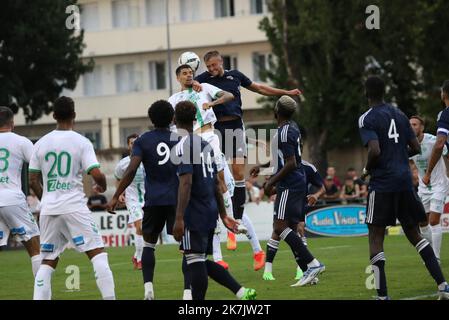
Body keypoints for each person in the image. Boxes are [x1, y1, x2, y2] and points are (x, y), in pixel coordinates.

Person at [194, 50, 301, 254]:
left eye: (214, 65)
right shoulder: (202, 80)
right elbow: (188, 88)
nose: (212, 70)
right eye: (208, 67)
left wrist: (285, 92)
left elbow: (259, 88)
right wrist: (194, 84)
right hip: (214, 130)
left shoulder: (235, 76)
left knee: (237, 173)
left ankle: (236, 218)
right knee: (220, 178)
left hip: (235, 127)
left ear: (221, 62)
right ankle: (229, 222)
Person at [358, 76, 449, 300]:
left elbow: (374, 151)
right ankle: (443, 285)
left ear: (366, 92)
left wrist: (367, 169)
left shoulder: (366, 118)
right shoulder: (399, 115)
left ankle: (382, 295)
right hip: (405, 183)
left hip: (382, 184)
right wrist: (398, 157)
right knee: (415, 233)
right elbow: (416, 147)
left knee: (375, 237)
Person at [169, 64, 267, 270]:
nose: (189, 76)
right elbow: (172, 127)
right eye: (184, 73)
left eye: (190, 73)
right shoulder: (173, 100)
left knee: (223, 187)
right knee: (207, 199)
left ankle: (249, 244)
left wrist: (211, 104)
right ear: (177, 77)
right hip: (190, 144)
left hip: (209, 138)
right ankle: (221, 256)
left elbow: (229, 96)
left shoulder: (203, 87)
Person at [29, 96, 115, 300]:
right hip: (74, 207)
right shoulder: (81, 142)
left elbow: (32, 179)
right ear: (74, 115)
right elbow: (95, 173)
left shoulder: (40, 144)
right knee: (98, 254)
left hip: (49, 210)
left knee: (47, 261)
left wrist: (47, 199)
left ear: (54, 116)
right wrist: (102, 185)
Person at [172, 100, 256, 300]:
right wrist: (224, 214)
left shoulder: (183, 146)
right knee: (199, 259)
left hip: (194, 211)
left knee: (194, 260)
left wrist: (179, 217)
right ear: (194, 120)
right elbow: (217, 183)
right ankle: (240, 291)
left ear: (174, 120)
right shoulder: (205, 145)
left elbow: (186, 183)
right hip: (210, 209)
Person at [107, 100, 179, 300]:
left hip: (153, 200)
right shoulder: (180, 139)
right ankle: (189, 292)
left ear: (151, 119)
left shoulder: (143, 141)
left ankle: (148, 288)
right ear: (172, 118)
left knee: (149, 244)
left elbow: (130, 170)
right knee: (187, 246)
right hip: (176, 200)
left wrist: (114, 196)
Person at [251, 96, 326, 287]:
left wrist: (270, 183)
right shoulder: (290, 128)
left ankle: (313, 264)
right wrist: (262, 167)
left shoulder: (284, 132)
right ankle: (310, 273)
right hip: (294, 182)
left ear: (276, 111)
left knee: (279, 226)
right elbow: (282, 158)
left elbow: (291, 163)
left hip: (289, 184)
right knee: (291, 228)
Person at [257, 157, 325, 282]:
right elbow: (272, 188)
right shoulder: (282, 165)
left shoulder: (308, 167)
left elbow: (322, 187)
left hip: (299, 204)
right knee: (277, 232)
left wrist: (316, 195)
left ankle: (304, 269)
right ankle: (268, 271)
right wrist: (269, 187)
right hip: (284, 201)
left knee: (298, 230)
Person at [0, 106, 41, 277]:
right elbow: (37, 168)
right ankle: (42, 294)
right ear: (13, 123)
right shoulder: (21, 141)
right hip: (12, 198)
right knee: (35, 248)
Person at [114, 133, 145, 270]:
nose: (134, 145)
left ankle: (136, 255)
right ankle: (139, 260)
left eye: (136, 142)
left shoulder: (147, 159)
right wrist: (120, 193)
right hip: (132, 199)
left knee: (147, 230)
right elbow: (118, 179)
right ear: (128, 145)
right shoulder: (123, 164)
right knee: (141, 227)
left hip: (148, 198)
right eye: (132, 143)